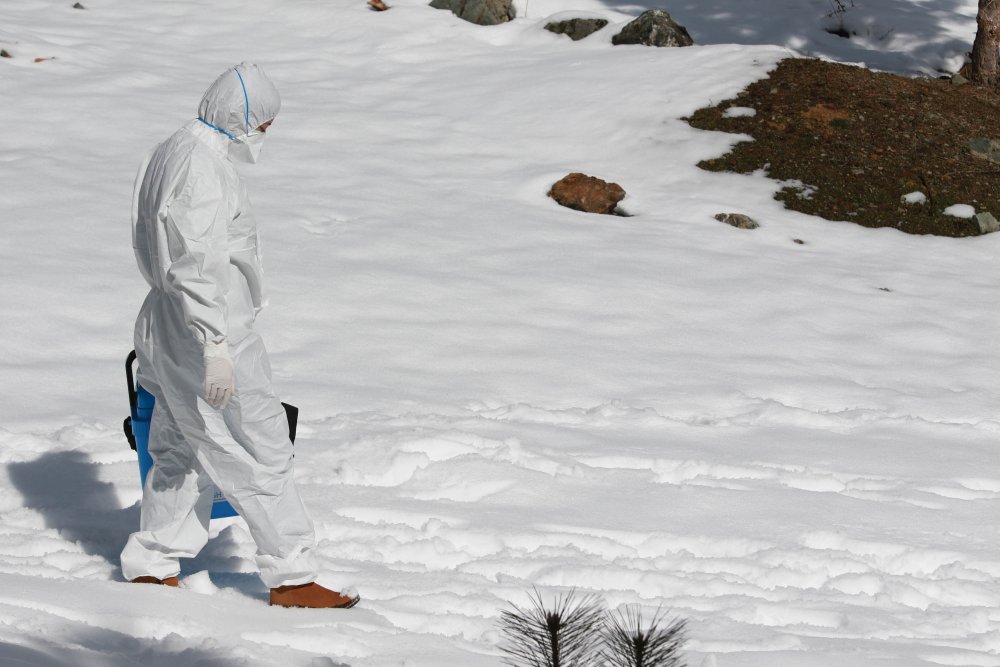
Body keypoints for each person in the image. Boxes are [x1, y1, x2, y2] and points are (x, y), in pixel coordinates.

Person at [122, 62, 358, 610]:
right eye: (263, 125)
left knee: (180, 446)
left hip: (168, 322)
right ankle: (292, 577)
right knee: (260, 446)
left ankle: (153, 563)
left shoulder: (171, 150)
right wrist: (216, 348)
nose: (263, 135)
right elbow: (197, 262)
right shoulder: (202, 169)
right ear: (240, 115)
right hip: (208, 330)